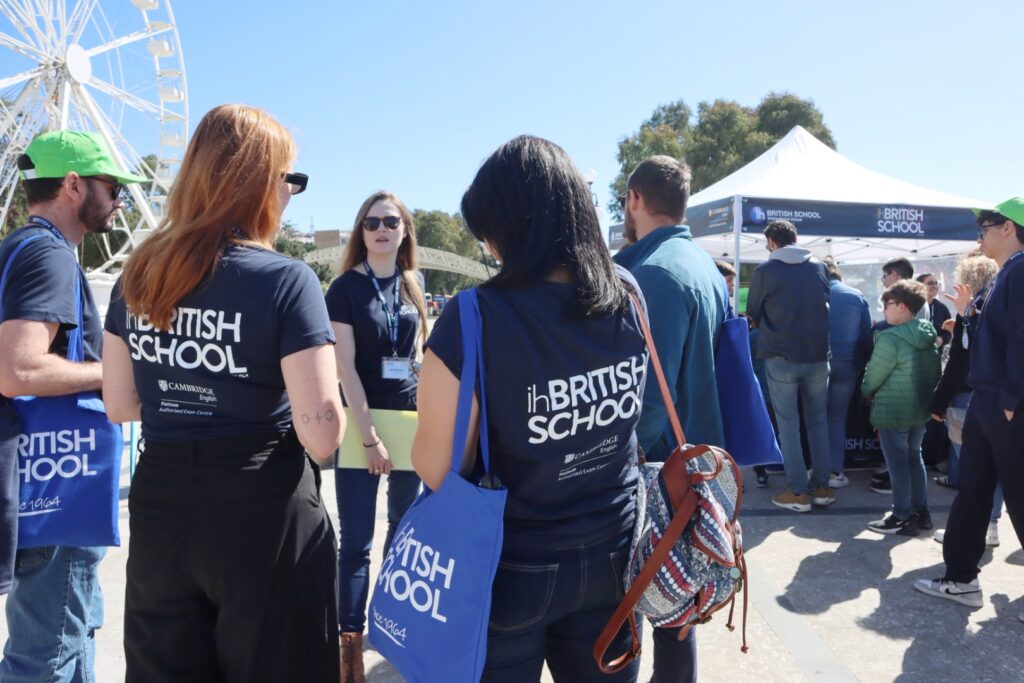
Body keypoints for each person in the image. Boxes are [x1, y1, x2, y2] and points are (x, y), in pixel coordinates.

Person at [102, 104, 344, 681]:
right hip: (260, 504)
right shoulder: (285, 279)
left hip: (163, 501)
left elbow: (121, 404)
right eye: (290, 180)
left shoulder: (138, 275)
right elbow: (322, 432)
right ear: (260, 184)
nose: (292, 195)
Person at [414, 135, 645, 682]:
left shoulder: (473, 316)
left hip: (511, 563)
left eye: (490, 233)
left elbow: (436, 466)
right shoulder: (628, 294)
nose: (491, 249)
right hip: (617, 550)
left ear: (513, 228)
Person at [0, 130, 145, 681]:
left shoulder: (17, 246)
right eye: (113, 188)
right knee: (46, 653)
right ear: (73, 184)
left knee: (71, 632)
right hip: (60, 486)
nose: (119, 202)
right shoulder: (50, 255)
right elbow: (18, 369)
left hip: (39, 476)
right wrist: (119, 373)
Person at [613, 155, 728, 683]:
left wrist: (619, 459)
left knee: (640, 602)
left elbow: (647, 394)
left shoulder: (653, 273)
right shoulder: (703, 265)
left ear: (636, 199)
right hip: (700, 462)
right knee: (679, 605)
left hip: (661, 467)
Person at [325, 191, 426, 682]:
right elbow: (344, 367)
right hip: (361, 428)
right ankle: (350, 649)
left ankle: (393, 633)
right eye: (371, 222)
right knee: (357, 543)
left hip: (409, 424)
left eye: (390, 221)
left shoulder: (413, 284)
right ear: (360, 232)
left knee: (404, 538)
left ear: (404, 229)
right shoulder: (343, 288)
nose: (381, 229)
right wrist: (367, 437)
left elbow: (417, 359)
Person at [914, 198, 1024, 615]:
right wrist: (968, 316)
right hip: (990, 400)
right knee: (973, 489)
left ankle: (960, 576)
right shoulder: (1006, 273)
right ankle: (960, 578)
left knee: (1015, 494)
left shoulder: (1020, 270)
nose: (979, 237)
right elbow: (993, 339)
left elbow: (1021, 340)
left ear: (1009, 227)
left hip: (1005, 401)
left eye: (984, 228)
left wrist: (1012, 399)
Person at [746, 220, 832, 512]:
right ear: (795, 239)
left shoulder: (765, 271)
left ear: (771, 241)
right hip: (818, 356)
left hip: (781, 356)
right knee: (818, 423)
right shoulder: (819, 266)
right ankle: (821, 487)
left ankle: (797, 492)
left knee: (789, 426)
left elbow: (753, 312)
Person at [927, 251, 1002, 546]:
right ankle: (992, 524)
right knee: (992, 467)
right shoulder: (994, 310)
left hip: (965, 398)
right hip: (993, 397)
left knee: (973, 470)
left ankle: (976, 528)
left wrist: (937, 402)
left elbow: (959, 365)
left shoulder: (970, 313)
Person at [861, 279, 941, 535]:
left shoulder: (890, 338)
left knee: (898, 464)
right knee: (913, 459)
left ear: (903, 307)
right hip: (919, 409)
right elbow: (934, 373)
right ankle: (921, 512)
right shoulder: (927, 333)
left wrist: (866, 392)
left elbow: (873, 376)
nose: (884, 309)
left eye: (887, 304)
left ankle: (900, 515)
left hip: (893, 410)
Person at [822, 257, 872, 489]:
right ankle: (835, 472)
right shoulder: (855, 295)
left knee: (815, 419)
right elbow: (866, 336)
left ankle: (818, 469)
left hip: (818, 364)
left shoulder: (813, 294)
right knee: (837, 418)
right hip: (848, 364)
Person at [916, 272, 952, 347]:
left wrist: (941, 339)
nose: (935, 286)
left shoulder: (942, 308)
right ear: (919, 286)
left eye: (936, 283)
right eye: (930, 283)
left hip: (934, 354)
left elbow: (948, 332)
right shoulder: (911, 307)